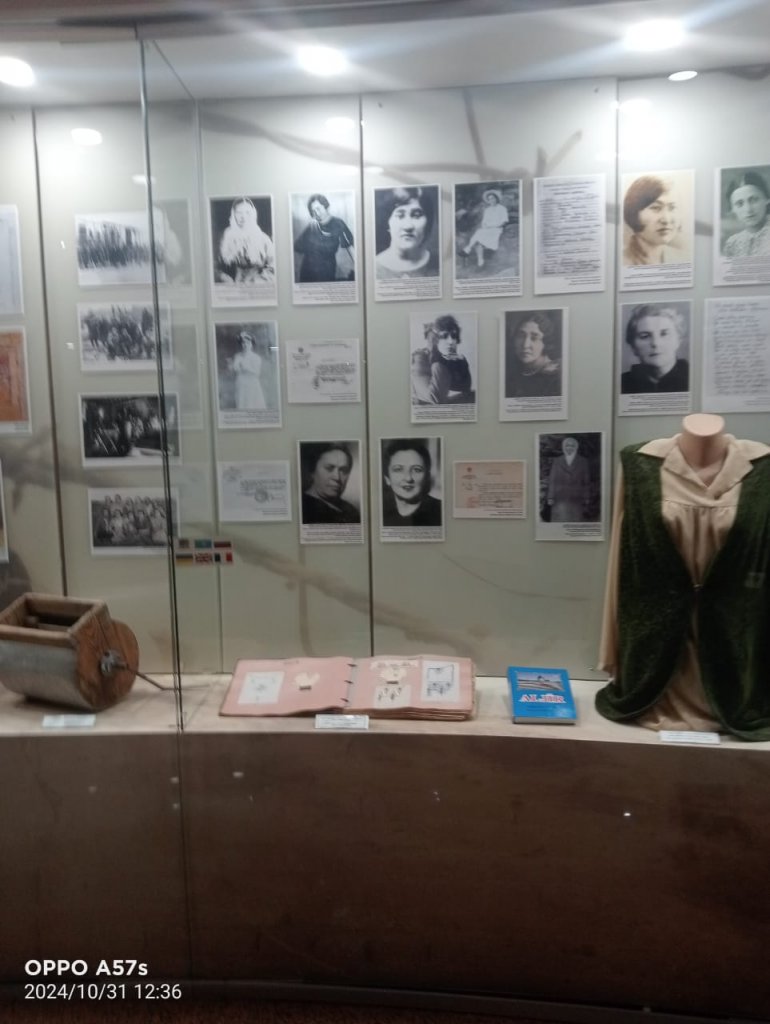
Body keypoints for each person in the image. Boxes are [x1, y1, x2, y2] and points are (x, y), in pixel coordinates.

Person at [596, 414, 770, 739]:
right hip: (656, 635)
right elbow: (624, 560)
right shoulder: (640, 464)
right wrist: (613, 646)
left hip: (736, 638)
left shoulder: (763, 468)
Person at [620, 304, 689, 394]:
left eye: (664, 334)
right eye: (645, 336)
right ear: (633, 347)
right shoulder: (622, 383)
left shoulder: (693, 377)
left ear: (678, 340)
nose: (655, 343)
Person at [375, 187, 438, 279]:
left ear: (428, 222)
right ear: (387, 222)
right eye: (400, 216)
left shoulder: (442, 263)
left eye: (416, 215)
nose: (408, 226)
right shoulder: (373, 268)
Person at [294, 193, 355, 282]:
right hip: (306, 275)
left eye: (318, 209)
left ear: (326, 207)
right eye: (313, 211)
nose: (317, 213)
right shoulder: (312, 226)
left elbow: (350, 248)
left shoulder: (338, 224)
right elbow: (297, 246)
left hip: (326, 275)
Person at [414, 315, 474, 406]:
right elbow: (435, 398)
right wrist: (438, 363)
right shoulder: (420, 358)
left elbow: (465, 389)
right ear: (434, 339)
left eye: (454, 336)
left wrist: (461, 364)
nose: (451, 341)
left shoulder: (456, 359)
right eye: (444, 336)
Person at [622, 175, 681, 266]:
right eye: (656, 208)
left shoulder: (682, 258)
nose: (666, 220)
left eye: (672, 208)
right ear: (634, 212)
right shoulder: (622, 261)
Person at [382, 439, 442, 527]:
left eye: (416, 470)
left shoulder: (441, 511)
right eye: (398, 469)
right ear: (387, 478)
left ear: (427, 476)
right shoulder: (380, 513)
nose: (408, 478)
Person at [217, 197, 275, 284]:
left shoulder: (263, 239)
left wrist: (256, 281)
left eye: (247, 213)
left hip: (257, 287)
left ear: (253, 214)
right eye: (239, 213)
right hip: (231, 287)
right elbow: (216, 267)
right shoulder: (226, 237)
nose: (243, 217)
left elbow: (274, 267)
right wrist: (223, 277)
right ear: (233, 214)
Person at [504, 311, 561, 398]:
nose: (525, 345)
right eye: (521, 336)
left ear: (546, 342)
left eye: (534, 338)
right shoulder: (514, 372)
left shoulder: (555, 376)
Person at [301, 443, 360, 524]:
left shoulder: (351, 510)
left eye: (343, 470)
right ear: (312, 471)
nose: (337, 477)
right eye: (329, 468)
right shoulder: (304, 508)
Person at [722, 170, 770, 258]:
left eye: (754, 200)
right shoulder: (732, 243)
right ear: (732, 209)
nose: (748, 209)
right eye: (739, 204)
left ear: (767, 199)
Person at [545, 437, 590, 522]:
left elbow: (586, 481)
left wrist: (586, 497)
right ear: (563, 447)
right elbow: (552, 480)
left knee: (575, 520)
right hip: (559, 497)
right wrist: (550, 497)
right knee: (559, 520)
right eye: (567, 445)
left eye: (572, 446)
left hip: (576, 497)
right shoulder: (557, 461)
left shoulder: (583, 461)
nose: (569, 448)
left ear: (576, 447)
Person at [461, 188, 509, 268]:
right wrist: (485, 226)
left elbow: (504, 222)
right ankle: (480, 260)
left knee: (479, 233)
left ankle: (468, 249)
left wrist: (493, 226)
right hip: (487, 229)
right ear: (488, 201)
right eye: (489, 199)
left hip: (497, 229)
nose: (491, 200)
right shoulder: (487, 210)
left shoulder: (502, 208)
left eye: (493, 198)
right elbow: (484, 222)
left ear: (496, 199)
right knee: (479, 237)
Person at [229, 331, 266, 411]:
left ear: (252, 344)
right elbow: (235, 370)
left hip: (251, 384)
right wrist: (231, 367)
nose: (245, 345)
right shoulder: (237, 356)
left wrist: (246, 367)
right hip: (241, 383)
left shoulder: (256, 357)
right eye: (243, 343)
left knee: (251, 405)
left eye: (248, 343)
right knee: (241, 404)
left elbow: (257, 373)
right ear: (241, 344)